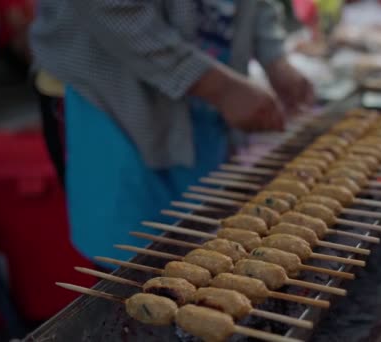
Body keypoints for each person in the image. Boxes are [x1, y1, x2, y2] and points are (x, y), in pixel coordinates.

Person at [29, 0, 313, 262]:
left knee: (212, 243)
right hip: (116, 97)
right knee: (136, 262)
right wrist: (220, 88)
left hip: (208, 109)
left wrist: (274, 57)